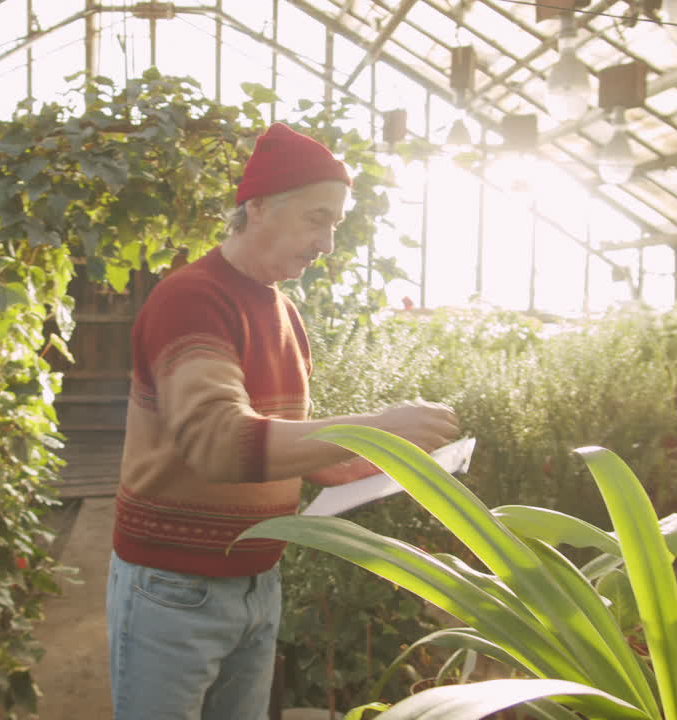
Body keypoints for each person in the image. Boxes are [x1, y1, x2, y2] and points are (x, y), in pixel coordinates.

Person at [106, 122, 460, 720]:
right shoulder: (193, 299)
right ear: (260, 207)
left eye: (334, 226)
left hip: (256, 582)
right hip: (174, 587)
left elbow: (285, 451)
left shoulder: (283, 312)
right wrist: (381, 426)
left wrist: (387, 462)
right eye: (316, 219)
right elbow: (220, 445)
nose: (326, 244)